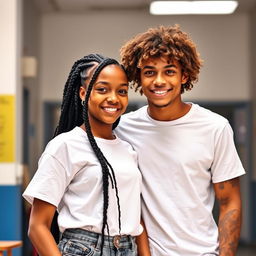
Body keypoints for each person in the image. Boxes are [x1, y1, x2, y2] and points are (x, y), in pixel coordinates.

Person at [115, 25, 245, 256]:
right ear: (139, 78)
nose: (159, 81)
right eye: (149, 72)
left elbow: (230, 201)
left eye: (169, 71)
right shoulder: (124, 128)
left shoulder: (214, 127)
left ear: (184, 75)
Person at [23, 54, 151, 256]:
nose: (113, 98)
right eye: (102, 89)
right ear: (83, 93)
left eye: (122, 91)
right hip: (83, 248)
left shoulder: (128, 150)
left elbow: (135, 215)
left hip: (128, 248)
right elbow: (37, 227)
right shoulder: (65, 146)